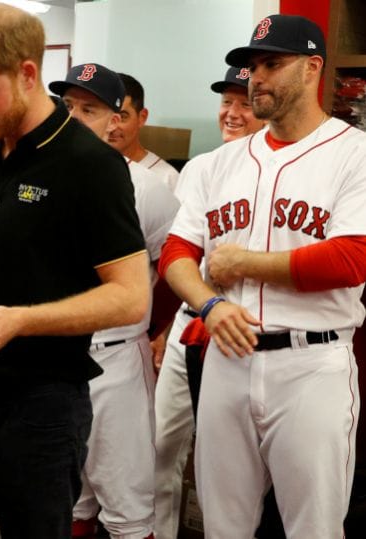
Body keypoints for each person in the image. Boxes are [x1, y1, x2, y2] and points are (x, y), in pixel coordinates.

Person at [0, 5, 150, 538]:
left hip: (46, 402)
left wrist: (21, 321)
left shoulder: (92, 166)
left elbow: (132, 297)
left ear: (26, 74)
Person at [159, 14, 366, 537]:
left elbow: (351, 259)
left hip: (312, 364)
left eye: (273, 63)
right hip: (226, 361)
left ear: (312, 68)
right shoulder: (216, 164)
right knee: (222, 526)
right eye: (252, 66)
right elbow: (177, 256)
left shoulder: (354, 154)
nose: (256, 77)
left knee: (313, 528)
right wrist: (210, 303)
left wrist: (243, 263)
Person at [50, 62, 179, 539]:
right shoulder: (38, 174)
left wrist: (148, 326)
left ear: (117, 119)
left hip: (115, 359)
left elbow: (175, 266)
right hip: (55, 357)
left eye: (90, 109)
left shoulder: (145, 188)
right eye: (67, 107)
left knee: (126, 507)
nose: (75, 117)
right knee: (68, 499)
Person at [153, 65, 265, 539]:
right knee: (159, 444)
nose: (232, 112)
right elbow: (177, 256)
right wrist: (162, 329)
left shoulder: (280, 170)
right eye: (227, 101)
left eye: (244, 103)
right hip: (190, 320)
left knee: (237, 464)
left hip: (244, 329)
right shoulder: (201, 167)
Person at [107, 73, 180, 191]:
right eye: (105, 115)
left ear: (142, 117)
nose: (111, 127)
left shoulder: (166, 178)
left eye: (122, 116)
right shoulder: (85, 168)